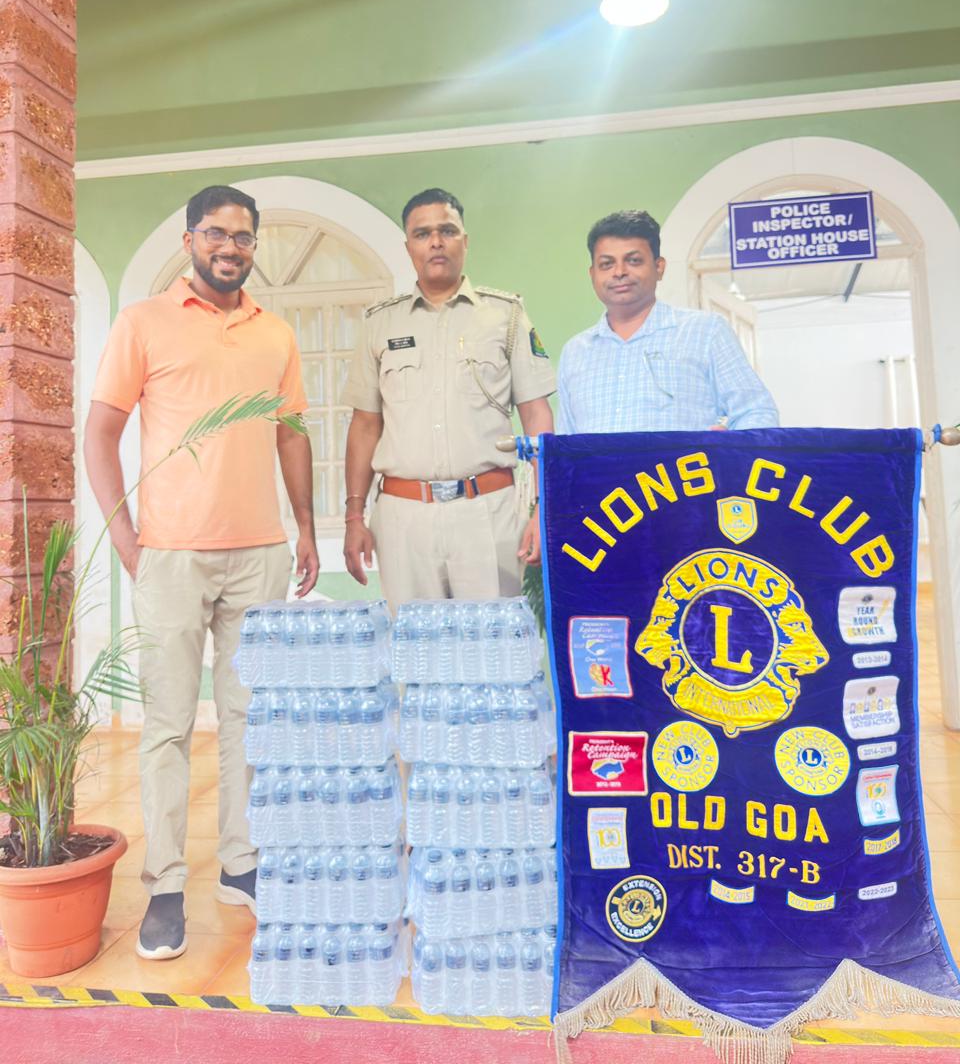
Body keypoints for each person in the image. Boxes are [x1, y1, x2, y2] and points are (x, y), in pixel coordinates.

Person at [84, 185, 319, 961]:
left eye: (243, 237)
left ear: (254, 246)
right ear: (189, 240)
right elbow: (101, 432)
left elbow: (291, 435)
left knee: (250, 718)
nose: (230, 247)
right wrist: (126, 538)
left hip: (259, 554)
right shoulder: (142, 322)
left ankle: (242, 864)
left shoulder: (274, 332)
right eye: (216, 233)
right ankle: (163, 886)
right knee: (168, 726)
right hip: (173, 555)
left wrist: (304, 526)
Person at [342, 188, 555, 610]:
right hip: (404, 518)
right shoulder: (380, 323)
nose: (436, 242)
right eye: (422, 234)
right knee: (415, 646)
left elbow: (536, 414)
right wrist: (353, 516)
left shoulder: (506, 315)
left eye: (447, 231)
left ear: (465, 241)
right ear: (408, 247)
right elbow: (365, 425)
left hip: (488, 512)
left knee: (493, 644)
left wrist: (542, 508)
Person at [557, 210, 778, 432]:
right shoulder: (575, 352)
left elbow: (757, 412)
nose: (619, 272)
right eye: (607, 264)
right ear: (592, 274)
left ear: (659, 267)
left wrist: (730, 446)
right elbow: (566, 442)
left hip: (688, 458)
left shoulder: (706, 332)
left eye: (633, 261)